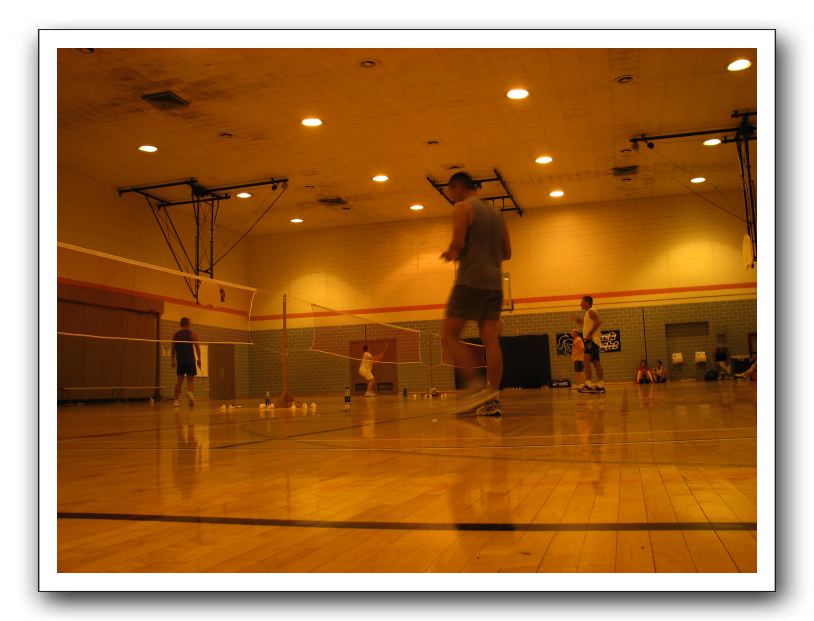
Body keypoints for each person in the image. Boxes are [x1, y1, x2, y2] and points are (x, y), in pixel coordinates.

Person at [441, 171, 511, 416]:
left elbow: (458, 243)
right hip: (495, 284)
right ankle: (493, 396)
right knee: (490, 339)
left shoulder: (462, 208)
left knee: (449, 335)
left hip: (470, 281)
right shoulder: (497, 215)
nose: (452, 197)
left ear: (458, 188)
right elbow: (507, 252)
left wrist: (450, 253)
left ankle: (474, 386)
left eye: (451, 192)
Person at [574, 295, 605, 393]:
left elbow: (598, 322)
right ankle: (588, 384)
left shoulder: (591, 311)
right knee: (586, 361)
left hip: (592, 341)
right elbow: (586, 324)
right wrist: (579, 321)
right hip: (588, 341)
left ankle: (600, 386)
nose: (580, 304)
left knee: (596, 363)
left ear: (587, 302)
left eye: (582, 302)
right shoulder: (587, 313)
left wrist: (590, 334)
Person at [171, 317, 201, 407]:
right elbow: (197, 347)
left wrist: (172, 361)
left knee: (179, 381)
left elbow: (173, 349)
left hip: (180, 362)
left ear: (180, 324)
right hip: (190, 361)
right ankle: (190, 393)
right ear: (188, 324)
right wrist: (199, 360)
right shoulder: (192, 334)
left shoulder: (175, 335)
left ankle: (176, 401)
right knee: (190, 381)